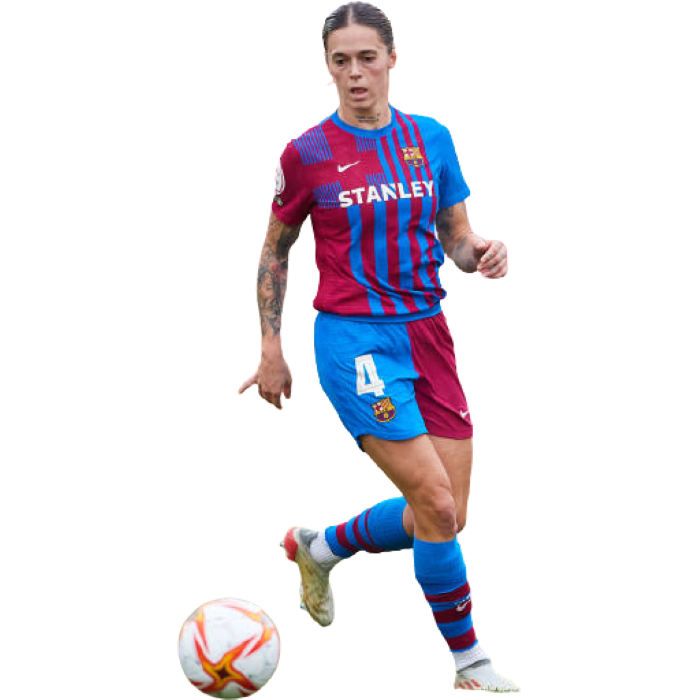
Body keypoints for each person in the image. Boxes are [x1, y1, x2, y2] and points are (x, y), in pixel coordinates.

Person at [237, 1, 517, 693]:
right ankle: (470, 662)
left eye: (367, 57)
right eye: (341, 61)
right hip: (353, 339)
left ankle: (319, 547)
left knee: (449, 512)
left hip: (429, 333)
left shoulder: (432, 138)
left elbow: (456, 238)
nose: (356, 73)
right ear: (327, 69)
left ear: (393, 57)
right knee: (436, 505)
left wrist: (483, 251)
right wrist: (271, 350)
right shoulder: (306, 154)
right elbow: (275, 253)